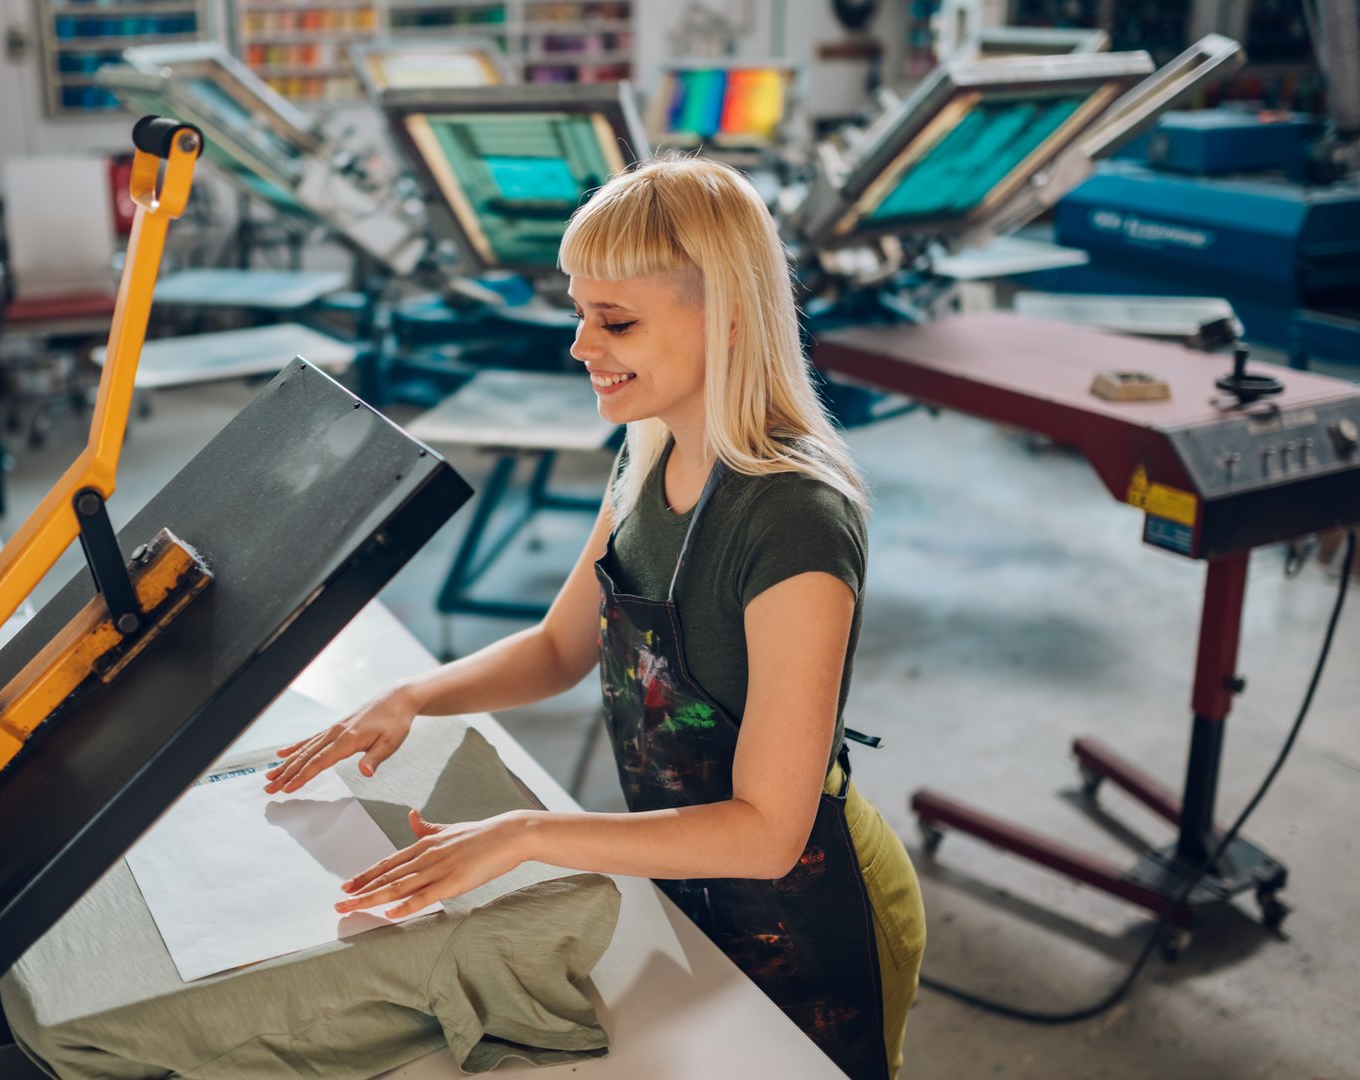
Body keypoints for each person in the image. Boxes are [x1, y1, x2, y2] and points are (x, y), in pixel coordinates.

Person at [264, 155, 926, 1078]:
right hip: (685, 870)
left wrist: (527, 835)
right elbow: (558, 647)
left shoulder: (792, 517)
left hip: (811, 913)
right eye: (580, 311)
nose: (580, 345)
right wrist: (414, 694)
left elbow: (770, 831)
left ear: (729, 316)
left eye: (615, 320)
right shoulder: (646, 453)